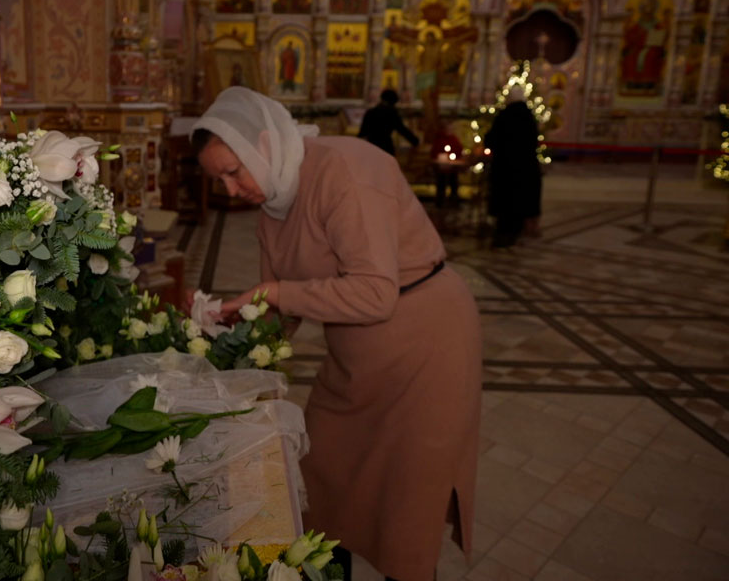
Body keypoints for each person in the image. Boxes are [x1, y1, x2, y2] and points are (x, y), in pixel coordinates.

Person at [192, 87, 482, 581]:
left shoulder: (345, 171)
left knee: (405, 509)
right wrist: (233, 329)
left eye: (233, 172)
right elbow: (281, 306)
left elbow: (373, 294)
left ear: (263, 145)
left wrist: (278, 293)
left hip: (427, 348)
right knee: (321, 478)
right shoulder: (274, 205)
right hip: (355, 357)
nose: (229, 191)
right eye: (218, 179)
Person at [485, 85, 541, 248]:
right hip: (524, 169)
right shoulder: (529, 117)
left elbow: (491, 140)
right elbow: (534, 142)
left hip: (504, 169)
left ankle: (502, 233)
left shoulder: (504, 116)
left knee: (504, 203)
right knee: (519, 202)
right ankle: (515, 232)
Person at [357, 89, 419, 156]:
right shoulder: (391, 113)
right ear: (393, 101)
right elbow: (401, 129)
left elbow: (362, 132)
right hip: (386, 147)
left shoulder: (370, 112)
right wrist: (415, 141)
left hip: (371, 146)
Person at [431, 121, 465, 208]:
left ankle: (453, 200)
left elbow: (459, 150)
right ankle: (441, 201)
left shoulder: (454, 139)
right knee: (441, 182)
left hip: (452, 167)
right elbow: (434, 152)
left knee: (453, 181)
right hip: (441, 167)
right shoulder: (439, 139)